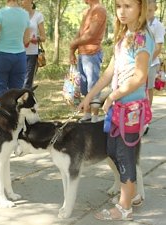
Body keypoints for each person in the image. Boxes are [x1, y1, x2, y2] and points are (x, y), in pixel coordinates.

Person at [78, 0, 154, 221]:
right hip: (118, 107)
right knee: (112, 149)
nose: (122, 11)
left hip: (130, 109)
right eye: (119, 6)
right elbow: (109, 72)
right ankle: (134, 194)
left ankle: (124, 207)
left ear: (140, 7)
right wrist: (90, 97)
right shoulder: (124, 37)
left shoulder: (141, 37)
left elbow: (139, 78)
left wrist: (112, 96)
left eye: (128, 6)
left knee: (123, 155)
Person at [69, 0, 107, 123]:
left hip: (92, 53)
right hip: (82, 53)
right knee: (84, 86)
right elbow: (80, 33)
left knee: (93, 85)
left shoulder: (99, 10)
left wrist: (73, 44)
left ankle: (95, 117)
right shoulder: (87, 11)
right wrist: (72, 50)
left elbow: (90, 35)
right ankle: (87, 114)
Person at [0, 0, 30, 106]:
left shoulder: (0, 13)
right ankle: (14, 121)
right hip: (20, 57)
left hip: (1, 56)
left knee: (0, 93)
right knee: (16, 94)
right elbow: (26, 40)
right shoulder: (25, 15)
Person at [144, 0, 165, 135]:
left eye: (150, 10)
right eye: (146, 10)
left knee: (149, 88)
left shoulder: (158, 25)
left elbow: (158, 47)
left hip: (151, 63)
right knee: (139, 88)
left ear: (155, 9)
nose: (148, 13)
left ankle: (147, 116)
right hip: (138, 63)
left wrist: (147, 60)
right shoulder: (140, 23)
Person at [21, 0, 46, 89]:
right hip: (18, 51)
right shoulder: (19, 15)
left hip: (31, 53)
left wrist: (36, 39)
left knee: (27, 81)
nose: (22, 2)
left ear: (31, 2)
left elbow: (43, 37)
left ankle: (26, 101)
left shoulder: (38, 16)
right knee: (18, 80)